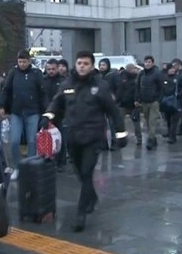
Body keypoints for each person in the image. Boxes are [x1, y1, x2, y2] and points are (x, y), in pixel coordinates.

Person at [41, 51, 127, 232]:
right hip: (73, 136)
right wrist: (48, 116)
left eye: (86, 63)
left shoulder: (100, 87)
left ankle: (81, 213)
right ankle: (92, 196)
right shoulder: (67, 84)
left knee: (87, 172)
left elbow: (113, 111)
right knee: (80, 173)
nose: (82, 66)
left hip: (93, 137)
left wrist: (121, 133)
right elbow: (57, 103)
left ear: (92, 66)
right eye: (79, 63)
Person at [0, 50, 45, 179]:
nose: (22, 64)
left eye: (24, 61)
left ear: (29, 61)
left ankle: (30, 167)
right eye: (20, 62)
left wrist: (45, 111)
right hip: (16, 112)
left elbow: (42, 93)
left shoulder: (36, 73)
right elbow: (6, 90)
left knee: (31, 141)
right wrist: (2, 105)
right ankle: (16, 167)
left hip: (33, 111)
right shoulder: (13, 73)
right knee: (14, 141)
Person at [135, 56, 164, 150]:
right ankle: (153, 138)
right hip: (144, 101)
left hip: (154, 101)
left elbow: (161, 88)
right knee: (147, 121)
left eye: (149, 62)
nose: (147, 64)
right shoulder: (141, 74)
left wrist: (159, 99)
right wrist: (137, 99)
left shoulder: (157, 74)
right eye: (146, 62)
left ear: (152, 63)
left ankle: (150, 140)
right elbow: (138, 87)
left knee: (152, 121)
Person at [118, 64, 141, 146]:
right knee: (120, 122)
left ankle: (139, 139)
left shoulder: (138, 77)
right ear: (130, 69)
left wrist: (137, 100)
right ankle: (120, 139)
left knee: (136, 122)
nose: (136, 70)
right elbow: (119, 89)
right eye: (134, 68)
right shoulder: (122, 77)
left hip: (134, 104)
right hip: (123, 103)